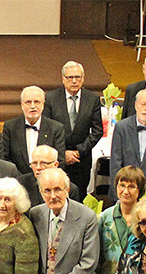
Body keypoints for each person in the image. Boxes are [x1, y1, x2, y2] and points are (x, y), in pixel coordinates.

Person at [43, 61, 103, 194]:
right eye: (70, 77)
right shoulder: (51, 99)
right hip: (57, 160)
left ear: (83, 78)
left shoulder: (92, 99)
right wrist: (62, 153)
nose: (74, 81)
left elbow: (97, 131)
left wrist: (78, 152)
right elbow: (46, 130)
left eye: (78, 77)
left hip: (81, 160)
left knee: (79, 197)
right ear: (63, 79)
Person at [1, 86, 66, 175]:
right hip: (17, 182)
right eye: (28, 102)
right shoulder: (10, 127)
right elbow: (5, 158)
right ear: (22, 105)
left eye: (37, 102)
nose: (33, 106)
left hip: (46, 182)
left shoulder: (56, 128)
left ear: (43, 105)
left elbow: (59, 161)